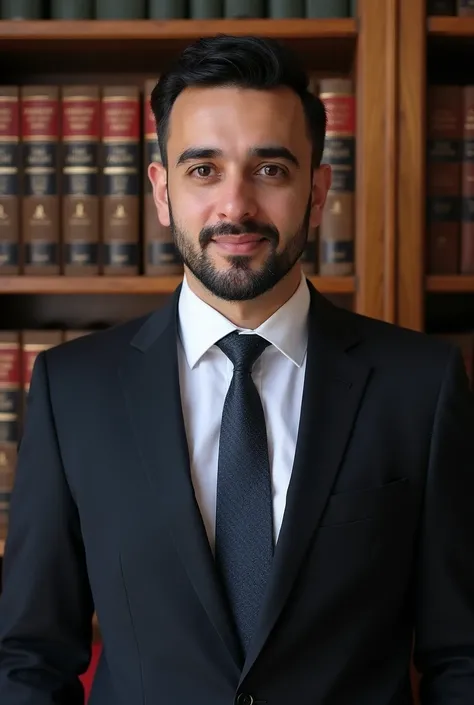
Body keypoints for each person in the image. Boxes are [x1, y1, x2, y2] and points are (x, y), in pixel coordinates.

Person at [0, 34, 473, 705]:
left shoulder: (420, 386)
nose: (236, 206)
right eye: (203, 170)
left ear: (317, 190)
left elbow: (462, 655)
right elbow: (30, 658)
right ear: (161, 191)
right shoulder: (69, 391)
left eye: (270, 170)